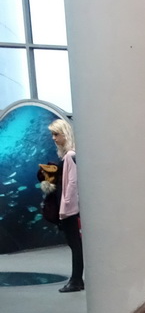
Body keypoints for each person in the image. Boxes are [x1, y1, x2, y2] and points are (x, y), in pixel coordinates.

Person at [46, 118, 83, 292]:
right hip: (71, 208)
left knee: (75, 244)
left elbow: (72, 184)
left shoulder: (70, 155)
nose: (53, 138)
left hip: (71, 210)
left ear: (64, 134)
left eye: (56, 134)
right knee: (75, 245)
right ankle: (76, 279)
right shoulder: (70, 155)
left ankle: (76, 280)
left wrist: (66, 206)